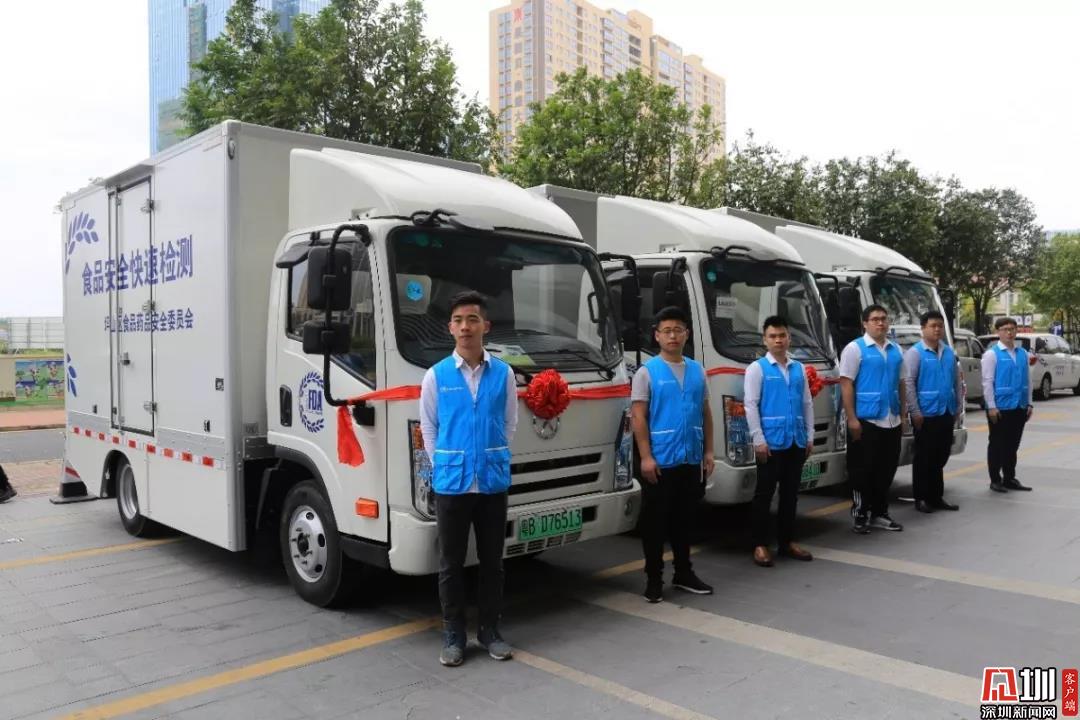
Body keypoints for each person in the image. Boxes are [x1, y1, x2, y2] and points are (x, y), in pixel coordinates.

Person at [419, 290, 518, 667]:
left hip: (492, 483)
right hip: (453, 484)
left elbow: (509, 423)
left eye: (472, 319)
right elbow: (429, 428)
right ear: (450, 328)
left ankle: (490, 631)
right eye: (459, 321)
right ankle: (453, 634)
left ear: (485, 326)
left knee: (493, 562)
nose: (465, 327)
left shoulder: (504, 374)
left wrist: (490, 455)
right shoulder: (436, 376)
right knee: (451, 564)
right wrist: (445, 463)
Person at [631, 306, 715, 604]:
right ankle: (654, 579)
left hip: (690, 459)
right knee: (655, 524)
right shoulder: (647, 372)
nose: (672, 336)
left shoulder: (697, 370)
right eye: (666, 331)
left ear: (686, 334)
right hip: (660, 461)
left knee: (684, 520)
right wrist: (645, 457)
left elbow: (705, 412)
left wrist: (709, 451)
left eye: (678, 330)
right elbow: (638, 417)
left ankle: (684, 573)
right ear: (657, 336)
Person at [743, 315, 815, 567]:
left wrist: (809, 435)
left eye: (782, 335)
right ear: (765, 340)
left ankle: (787, 542)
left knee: (790, 494)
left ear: (789, 338)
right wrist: (758, 439)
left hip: (796, 440)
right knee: (764, 494)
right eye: (772, 336)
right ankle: (760, 544)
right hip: (770, 443)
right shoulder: (757, 369)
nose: (778, 340)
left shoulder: (798, 369)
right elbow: (750, 405)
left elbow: (807, 403)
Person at [839, 304, 907, 534]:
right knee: (862, 470)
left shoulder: (896, 350)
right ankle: (860, 513)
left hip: (891, 418)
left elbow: (902, 383)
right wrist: (852, 418)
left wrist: (903, 414)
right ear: (865, 323)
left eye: (884, 319)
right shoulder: (855, 349)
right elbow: (846, 383)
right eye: (875, 319)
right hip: (866, 419)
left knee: (886, 469)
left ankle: (880, 513)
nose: (881, 323)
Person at [903, 311, 962, 513]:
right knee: (924, 457)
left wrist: (958, 407)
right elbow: (908, 383)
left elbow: (956, 381)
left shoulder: (948, 353)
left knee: (941, 455)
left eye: (940, 326)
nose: (937, 329)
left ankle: (936, 496)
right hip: (925, 413)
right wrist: (914, 411)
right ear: (923, 328)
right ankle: (921, 497)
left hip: (946, 411)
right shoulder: (915, 353)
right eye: (933, 326)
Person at [980, 317, 1034, 493]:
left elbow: (1028, 380)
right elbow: (987, 382)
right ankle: (995, 480)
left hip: (1019, 406)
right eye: (1005, 329)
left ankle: (1009, 478)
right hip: (1000, 407)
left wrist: (1030, 403)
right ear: (998, 332)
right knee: (997, 444)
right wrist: (991, 406)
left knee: (1013, 444)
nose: (1009, 332)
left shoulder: (1023, 354)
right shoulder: (992, 354)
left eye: (1012, 329)